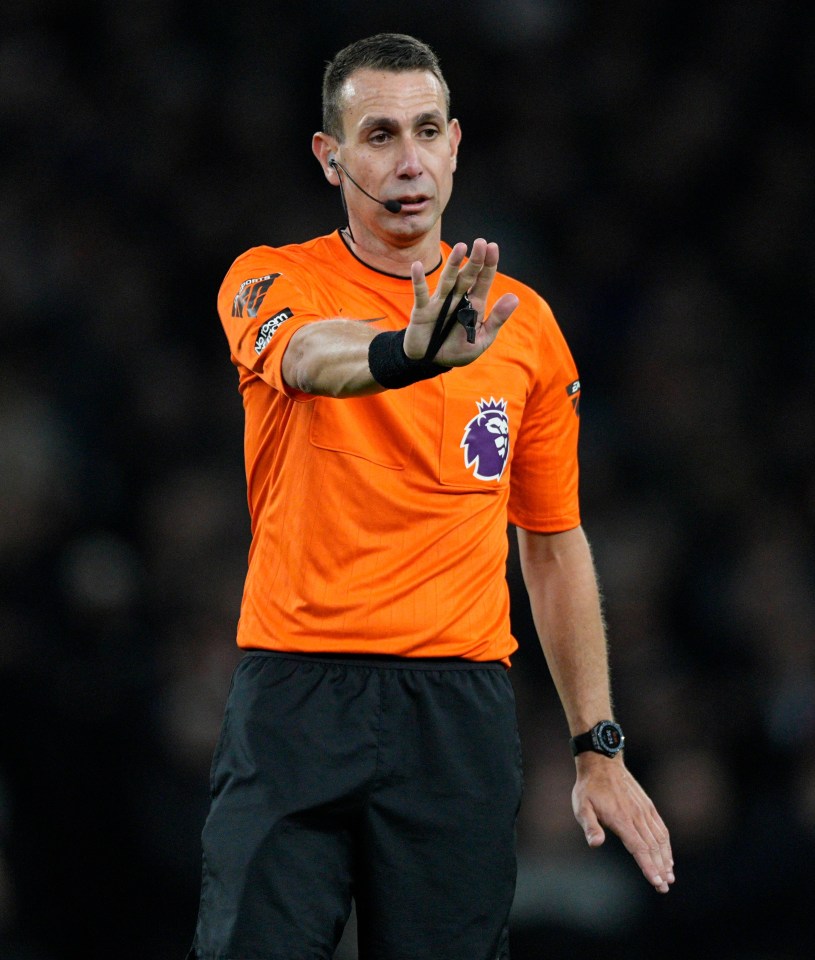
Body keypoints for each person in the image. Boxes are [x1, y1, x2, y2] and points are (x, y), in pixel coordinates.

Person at [187, 32, 674, 960]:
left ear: (455, 143)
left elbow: (552, 541)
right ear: (330, 158)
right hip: (296, 698)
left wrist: (597, 746)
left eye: (423, 131)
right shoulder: (269, 278)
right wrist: (403, 356)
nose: (406, 161)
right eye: (376, 135)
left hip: (458, 714)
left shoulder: (522, 326)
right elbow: (307, 358)